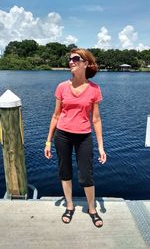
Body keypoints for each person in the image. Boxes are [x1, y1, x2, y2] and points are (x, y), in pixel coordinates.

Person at [44, 48, 107, 228]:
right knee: (65, 172)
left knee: (86, 175)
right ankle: (70, 206)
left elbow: (96, 119)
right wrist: (48, 141)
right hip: (62, 135)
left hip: (84, 136)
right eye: (70, 59)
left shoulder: (94, 89)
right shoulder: (62, 87)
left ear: (85, 63)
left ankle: (92, 208)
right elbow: (56, 116)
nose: (71, 61)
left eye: (76, 59)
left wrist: (101, 147)